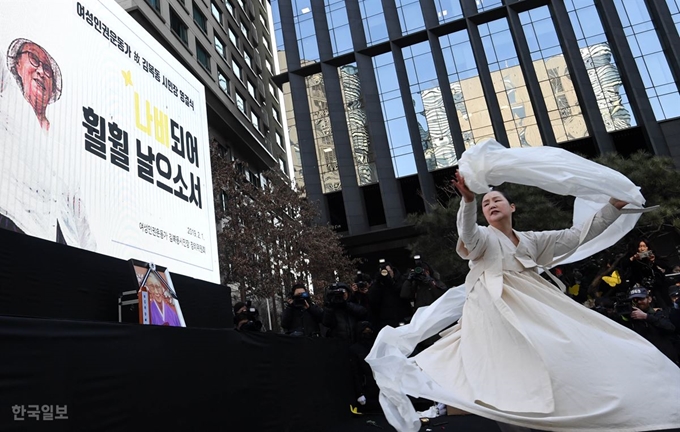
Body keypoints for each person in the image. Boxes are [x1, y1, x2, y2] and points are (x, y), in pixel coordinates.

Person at [370, 170, 680, 432]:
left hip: (535, 310)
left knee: (578, 352)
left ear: (512, 208)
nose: (490, 204)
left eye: (497, 200)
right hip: (494, 316)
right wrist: (467, 201)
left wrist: (612, 207)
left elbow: (578, 235)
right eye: (486, 202)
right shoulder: (481, 238)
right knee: (507, 377)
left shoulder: (533, 239)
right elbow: (466, 230)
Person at [6, 38, 62, 131]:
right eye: (33, 58)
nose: (41, 72)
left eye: (47, 68)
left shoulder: (57, 133)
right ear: (18, 63)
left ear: (52, 89)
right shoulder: (7, 109)